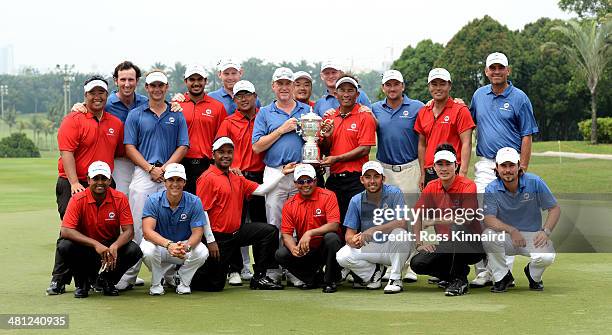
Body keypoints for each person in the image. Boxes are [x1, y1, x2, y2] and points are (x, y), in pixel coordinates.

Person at [46, 76, 125, 296]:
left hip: (104, 181)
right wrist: (74, 183)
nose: (97, 97)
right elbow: (67, 153)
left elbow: (118, 152)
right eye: (93, 93)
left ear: (107, 95)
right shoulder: (73, 119)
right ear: (85, 95)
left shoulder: (115, 123)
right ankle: (58, 280)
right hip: (74, 181)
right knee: (70, 231)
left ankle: (97, 277)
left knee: (104, 231)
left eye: (101, 93)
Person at [469, 52, 539, 287]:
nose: (497, 72)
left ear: (508, 71)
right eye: (492, 68)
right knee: (481, 215)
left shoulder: (519, 98)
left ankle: (502, 272)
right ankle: (484, 270)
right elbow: (467, 121)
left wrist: (523, 168)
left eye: (501, 68)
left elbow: (527, 135)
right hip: (487, 164)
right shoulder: (479, 95)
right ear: (487, 72)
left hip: (511, 166)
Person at [192, 137, 296, 291]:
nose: (226, 155)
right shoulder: (207, 178)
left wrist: (281, 173)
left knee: (269, 231)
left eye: (229, 152)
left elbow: (261, 190)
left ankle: (260, 277)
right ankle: (182, 276)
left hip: (237, 233)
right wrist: (211, 241)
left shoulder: (236, 178)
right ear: (213, 154)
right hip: (218, 238)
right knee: (214, 285)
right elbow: (203, 212)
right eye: (221, 152)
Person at [117, 70, 190, 290]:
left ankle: (167, 275)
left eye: (161, 86)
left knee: (169, 224)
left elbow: (183, 145)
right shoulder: (136, 114)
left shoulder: (176, 113)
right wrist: (150, 168)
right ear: (146, 88)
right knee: (138, 225)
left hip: (171, 174)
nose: (157, 90)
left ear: (167, 87)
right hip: (144, 172)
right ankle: (129, 275)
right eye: (152, 86)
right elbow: (129, 146)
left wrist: (166, 169)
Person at [56, 161, 142, 298]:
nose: (100, 182)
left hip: (109, 246)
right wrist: (95, 244)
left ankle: (106, 281)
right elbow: (66, 230)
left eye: (104, 178)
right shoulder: (78, 199)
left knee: (134, 250)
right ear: (88, 180)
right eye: (96, 178)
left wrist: (115, 246)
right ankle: (82, 283)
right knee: (65, 245)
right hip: (86, 247)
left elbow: (129, 231)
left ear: (110, 180)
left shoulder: (120, 198)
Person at [410, 145, 485, 296]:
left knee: (457, 228)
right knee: (417, 263)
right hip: (448, 245)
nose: (444, 168)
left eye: (448, 164)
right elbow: (416, 214)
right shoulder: (432, 187)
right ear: (434, 167)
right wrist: (419, 244)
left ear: (456, 166)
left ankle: (459, 281)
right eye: (440, 164)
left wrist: (434, 221)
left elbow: (467, 218)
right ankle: (453, 275)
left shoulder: (467, 185)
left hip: (473, 246)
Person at [370, 70, 423, 283]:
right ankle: (390, 264)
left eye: (396, 84)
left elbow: (424, 137)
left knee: (411, 218)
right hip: (385, 170)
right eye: (388, 85)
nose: (392, 89)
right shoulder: (375, 108)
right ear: (383, 88)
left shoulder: (417, 107)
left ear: (403, 86)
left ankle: (410, 265)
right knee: (387, 218)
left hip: (410, 168)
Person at [482, 147, 559, 293]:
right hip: (507, 237)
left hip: (532, 236)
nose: (508, 170)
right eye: (503, 166)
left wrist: (546, 231)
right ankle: (502, 277)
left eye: (511, 165)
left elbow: (554, 209)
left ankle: (533, 275)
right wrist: (512, 230)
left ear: (519, 166)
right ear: (497, 168)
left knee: (547, 256)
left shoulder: (534, 182)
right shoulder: (491, 189)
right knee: (488, 236)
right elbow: (489, 219)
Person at [216, 80, 266, 284]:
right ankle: (235, 268)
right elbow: (219, 151)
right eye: (239, 96)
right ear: (234, 99)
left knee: (260, 224)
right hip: (236, 177)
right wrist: (229, 169)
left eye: (247, 95)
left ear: (255, 96)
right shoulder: (228, 121)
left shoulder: (263, 116)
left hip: (260, 176)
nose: (244, 99)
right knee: (234, 224)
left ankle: (260, 269)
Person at [336, 161, 412, 294]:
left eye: (376, 176)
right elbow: (349, 233)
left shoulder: (395, 193)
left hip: (394, 248)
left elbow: (402, 222)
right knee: (342, 256)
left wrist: (373, 230)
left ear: (383, 178)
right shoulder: (356, 200)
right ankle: (374, 273)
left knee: (400, 233)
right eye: (368, 177)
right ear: (362, 179)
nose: (372, 181)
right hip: (371, 248)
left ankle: (395, 279)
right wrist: (352, 241)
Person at [140, 163, 211, 295]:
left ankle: (182, 280)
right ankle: (157, 281)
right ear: (165, 182)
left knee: (202, 251)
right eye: (171, 180)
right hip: (160, 246)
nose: (175, 184)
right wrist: (169, 245)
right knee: (146, 250)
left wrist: (186, 247)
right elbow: (147, 231)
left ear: (184, 182)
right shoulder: (153, 200)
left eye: (179, 180)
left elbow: (197, 233)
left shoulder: (194, 201)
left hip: (182, 248)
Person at [275, 164, 342, 293]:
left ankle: (330, 280)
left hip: (325, 247)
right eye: (301, 181)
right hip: (306, 249)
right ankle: (312, 279)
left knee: (332, 237)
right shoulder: (290, 204)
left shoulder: (328, 195)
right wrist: (293, 248)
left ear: (315, 181)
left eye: (309, 181)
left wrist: (310, 233)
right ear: (295, 184)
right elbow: (287, 234)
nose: (305, 185)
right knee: (281, 254)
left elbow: (334, 225)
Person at [319, 75, 376, 224]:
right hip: (334, 179)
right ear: (335, 94)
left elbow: (364, 149)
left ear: (357, 95)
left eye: (350, 90)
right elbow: (325, 150)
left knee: (356, 225)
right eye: (342, 90)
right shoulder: (330, 118)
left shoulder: (365, 116)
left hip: (356, 180)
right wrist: (327, 137)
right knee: (335, 224)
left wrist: (337, 158)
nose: (346, 94)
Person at [415, 68, 475, 188]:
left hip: (451, 170)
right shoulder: (423, 112)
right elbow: (422, 145)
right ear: (429, 86)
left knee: (453, 207)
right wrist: (422, 173)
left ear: (449, 86)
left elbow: (466, 143)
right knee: (432, 207)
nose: (438, 88)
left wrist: (462, 173)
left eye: (442, 84)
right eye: (434, 84)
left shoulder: (460, 110)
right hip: (430, 171)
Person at [177, 64, 227, 194]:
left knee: (207, 208)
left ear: (206, 81)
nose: (196, 83)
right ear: (185, 81)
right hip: (181, 164)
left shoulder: (217, 107)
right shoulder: (176, 106)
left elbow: (222, 138)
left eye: (200, 79)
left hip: (207, 165)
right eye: (192, 80)